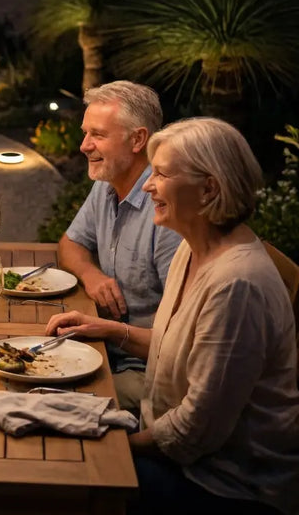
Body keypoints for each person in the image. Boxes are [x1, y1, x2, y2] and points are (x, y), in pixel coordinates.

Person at [47, 117, 299, 515]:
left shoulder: (237, 284)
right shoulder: (192, 248)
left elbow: (194, 431)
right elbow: (178, 349)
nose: (147, 185)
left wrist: (119, 448)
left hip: (222, 484)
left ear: (209, 189)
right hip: (176, 449)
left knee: (62, 477)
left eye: (161, 174)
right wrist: (108, 330)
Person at [58, 80, 181, 410]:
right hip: (107, 350)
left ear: (138, 139)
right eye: (86, 133)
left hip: (151, 373)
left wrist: (110, 331)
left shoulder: (167, 212)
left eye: (98, 135)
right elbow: (70, 243)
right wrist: (91, 275)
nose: (84, 146)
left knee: (51, 399)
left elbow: (184, 344)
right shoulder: (108, 182)